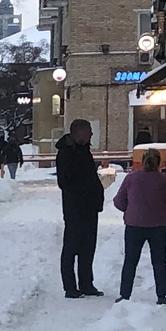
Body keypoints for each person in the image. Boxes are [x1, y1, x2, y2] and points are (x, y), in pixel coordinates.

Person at [113, 146, 166, 305]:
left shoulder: (131, 178)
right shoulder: (163, 180)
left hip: (134, 225)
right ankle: (161, 296)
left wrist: (131, 209)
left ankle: (125, 295)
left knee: (130, 260)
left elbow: (118, 202)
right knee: (159, 261)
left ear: (142, 161)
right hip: (159, 226)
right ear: (159, 163)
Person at [54, 119, 104, 298]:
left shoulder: (84, 150)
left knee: (88, 247)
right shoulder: (66, 153)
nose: (91, 134)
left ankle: (86, 283)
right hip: (76, 209)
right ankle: (70, 287)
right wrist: (86, 193)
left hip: (89, 208)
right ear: (79, 132)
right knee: (72, 247)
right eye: (89, 131)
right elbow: (66, 182)